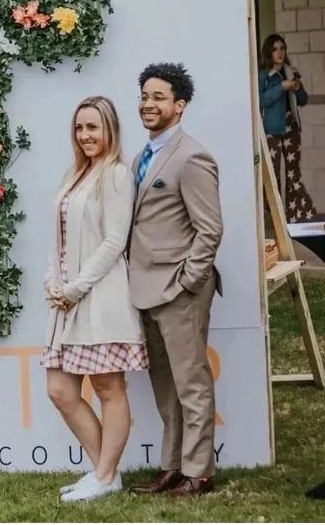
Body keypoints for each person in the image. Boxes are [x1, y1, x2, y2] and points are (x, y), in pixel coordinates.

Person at [42, 96, 149, 503]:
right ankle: (104, 471)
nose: (85, 135)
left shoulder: (118, 175)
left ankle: (104, 475)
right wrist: (52, 280)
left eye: (93, 127)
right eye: (79, 128)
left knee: (108, 388)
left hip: (100, 296)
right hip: (65, 301)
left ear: (110, 131)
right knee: (60, 389)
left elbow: (114, 241)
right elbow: (60, 240)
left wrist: (77, 286)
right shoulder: (74, 174)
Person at [128, 62, 223, 497]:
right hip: (145, 289)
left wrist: (188, 280)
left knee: (192, 383)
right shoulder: (141, 156)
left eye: (158, 97)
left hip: (180, 291)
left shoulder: (192, 156)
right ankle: (173, 467)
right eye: (145, 96)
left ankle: (199, 472)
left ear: (179, 106)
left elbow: (210, 228)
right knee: (165, 387)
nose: (149, 104)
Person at [258, 33, 317, 223]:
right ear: (269, 51)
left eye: (282, 48)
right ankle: (273, 219)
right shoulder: (263, 75)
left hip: (291, 129)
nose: (279, 53)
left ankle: (295, 217)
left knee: (294, 175)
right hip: (271, 131)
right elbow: (261, 100)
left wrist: (297, 87)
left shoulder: (291, 71)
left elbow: (303, 100)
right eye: (275, 49)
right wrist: (282, 87)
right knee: (272, 176)